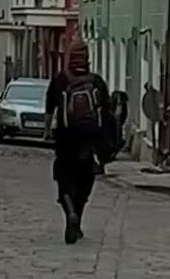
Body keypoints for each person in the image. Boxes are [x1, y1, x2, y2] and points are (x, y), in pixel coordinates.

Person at [44, 40, 111, 244]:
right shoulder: (97, 82)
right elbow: (106, 115)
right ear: (87, 58)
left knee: (64, 181)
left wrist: (47, 131)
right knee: (84, 182)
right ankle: (78, 221)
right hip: (89, 141)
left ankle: (70, 214)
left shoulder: (60, 80)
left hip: (65, 140)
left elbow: (49, 108)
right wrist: (104, 146)